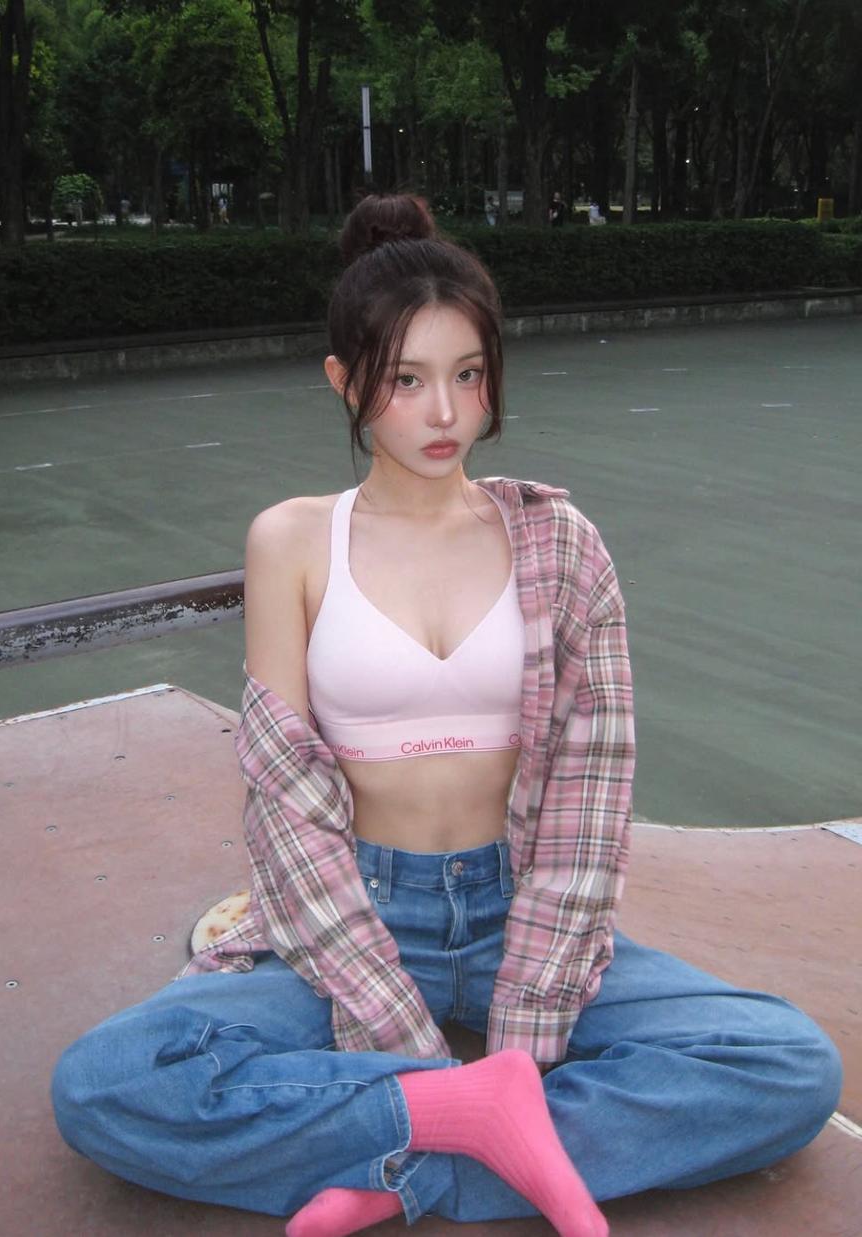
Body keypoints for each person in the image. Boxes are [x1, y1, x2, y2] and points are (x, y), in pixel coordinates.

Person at [51, 193, 842, 1236]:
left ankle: (416, 1160)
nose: (444, 413)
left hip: (524, 905)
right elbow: (286, 795)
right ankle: (469, 1117)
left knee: (787, 1065)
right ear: (344, 382)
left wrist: (525, 1024)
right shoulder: (293, 540)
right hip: (355, 910)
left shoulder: (560, 542)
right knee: (109, 1082)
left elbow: (590, 790)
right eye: (406, 379)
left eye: (468, 375)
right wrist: (404, 1034)